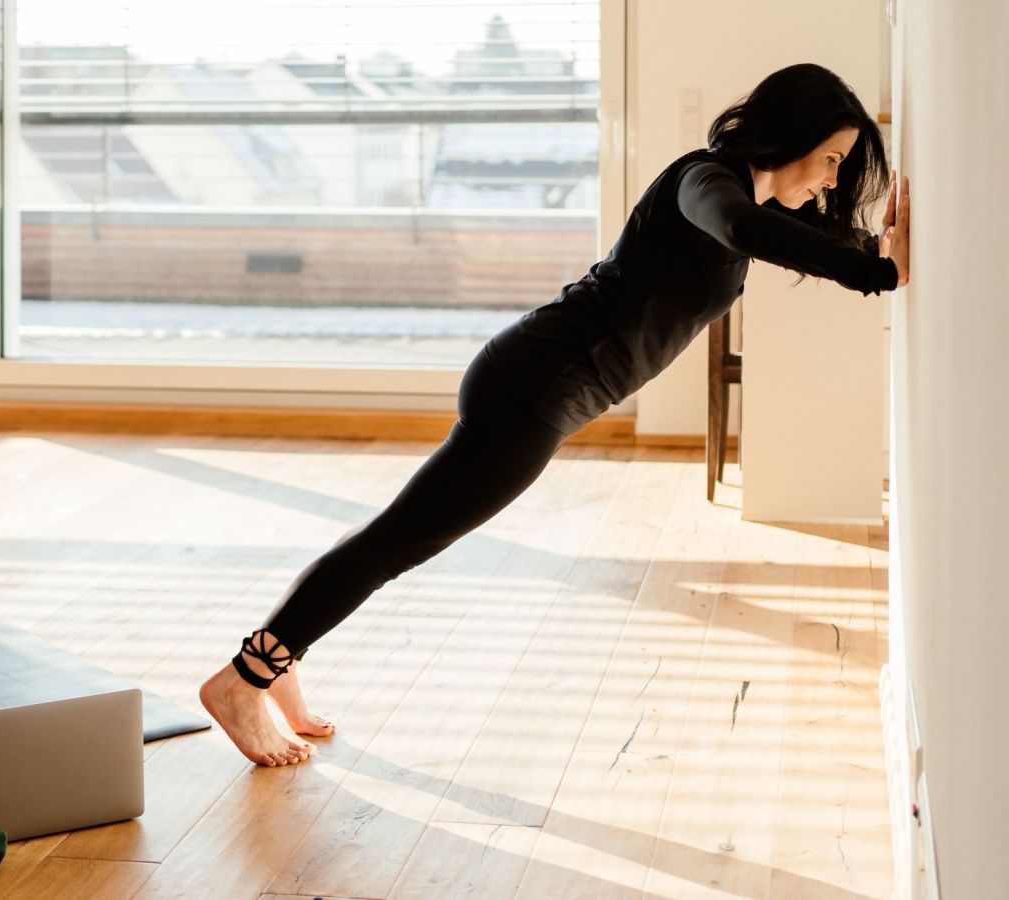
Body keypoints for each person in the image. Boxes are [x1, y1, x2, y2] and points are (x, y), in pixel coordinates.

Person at [199, 62, 911, 766]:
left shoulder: (739, 194)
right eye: (831, 159)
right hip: (532, 390)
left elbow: (777, 231)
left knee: (396, 532)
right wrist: (877, 274)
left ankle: (280, 652)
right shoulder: (709, 183)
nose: (830, 179)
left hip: (534, 381)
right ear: (791, 134)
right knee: (398, 542)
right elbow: (737, 226)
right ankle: (243, 681)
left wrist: (877, 249)